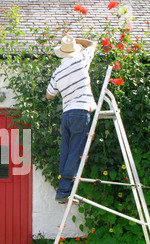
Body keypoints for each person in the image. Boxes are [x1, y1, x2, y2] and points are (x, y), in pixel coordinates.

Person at [46, 35, 97, 203]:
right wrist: (76, 39)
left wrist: (64, 85)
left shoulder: (58, 71)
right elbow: (92, 44)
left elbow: (49, 95)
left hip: (67, 114)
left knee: (67, 153)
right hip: (81, 111)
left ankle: (63, 190)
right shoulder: (81, 59)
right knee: (76, 153)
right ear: (74, 49)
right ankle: (65, 192)